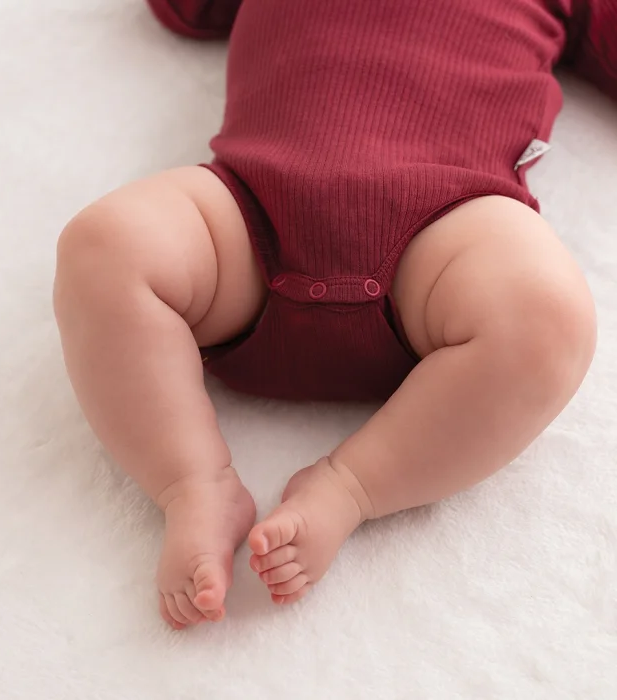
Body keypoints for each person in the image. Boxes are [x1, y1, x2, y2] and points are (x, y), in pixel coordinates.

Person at [53, 0, 615, 630]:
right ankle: (191, 483)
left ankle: (352, 486)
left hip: (444, 234)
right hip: (248, 217)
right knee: (104, 248)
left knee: (546, 319)